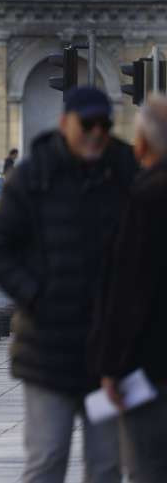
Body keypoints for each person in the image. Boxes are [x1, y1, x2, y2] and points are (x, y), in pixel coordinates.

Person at [0, 86, 137, 483]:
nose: (97, 133)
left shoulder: (125, 171)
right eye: (87, 124)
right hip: (49, 355)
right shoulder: (34, 176)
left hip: (109, 358)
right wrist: (34, 295)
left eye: (105, 125)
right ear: (65, 123)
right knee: (48, 458)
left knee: (106, 465)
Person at [91, 95, 167, 483]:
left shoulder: (144, 199)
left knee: (146, 469)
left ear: (141, 145)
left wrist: (111, 368)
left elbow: (128, 293)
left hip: (151, 367)